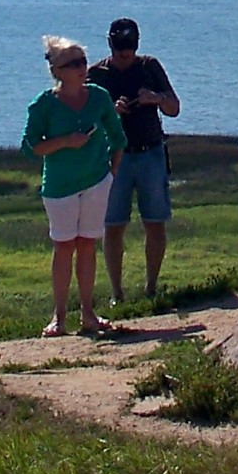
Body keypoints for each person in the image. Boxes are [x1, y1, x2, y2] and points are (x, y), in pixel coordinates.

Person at [23, 35, 125, 338]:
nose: (82, 68)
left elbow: (118, 138)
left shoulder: (99, 97)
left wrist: (111, 174)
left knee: (87, 245)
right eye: (73, 63)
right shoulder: (43, 105)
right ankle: (59, 316)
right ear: (57, 71)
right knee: (64, 247)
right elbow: (30, 147)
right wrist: (65, 142)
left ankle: (88, 313)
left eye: (83, 61)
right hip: (60, 187)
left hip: (96, 182)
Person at [88, 16, 181, 302]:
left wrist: (155, 98)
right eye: (119, 50)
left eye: (128, 49)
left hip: (150, 152)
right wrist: (111, 112)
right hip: (115, 157)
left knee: (155, 222)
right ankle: (117, 294)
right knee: (113, 226)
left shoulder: (149, 67)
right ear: (110, 46)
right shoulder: (97, 74)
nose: (124, 55)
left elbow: (174, 108)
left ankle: (151, 288)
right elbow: (86, 121)